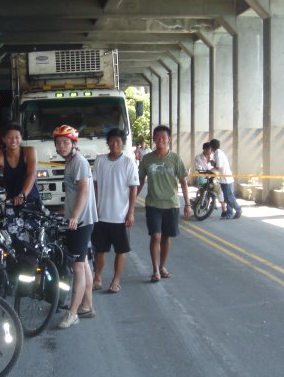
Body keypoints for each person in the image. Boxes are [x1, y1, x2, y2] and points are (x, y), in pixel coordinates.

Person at [53, 125, 98, 329]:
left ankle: (73, 313)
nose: (62, 146)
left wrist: (74, 215)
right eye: (59, 143)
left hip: (81, 221)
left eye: (66, 142)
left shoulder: (78, 162)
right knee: (83, 262)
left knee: (77, 266)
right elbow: (72, 193)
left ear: (73, 144)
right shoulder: (70, 162)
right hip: (79, 219)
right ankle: (87, 305)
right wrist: (65, 211)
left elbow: (83, 190)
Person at [137, 125, 192, 283]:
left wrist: (187, 204)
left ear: (169, 140)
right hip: (153, 204)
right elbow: (140, 181)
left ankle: (162, 266)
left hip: (171, 204)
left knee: (166, 237)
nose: (160, 140)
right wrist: (130, 202)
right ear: (153, 139)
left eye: (164, 137)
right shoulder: (147, 159)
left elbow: (183, 182)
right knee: (156, 236)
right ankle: (155, 270)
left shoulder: (175, 159)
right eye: (157, 137)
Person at [91, 127, 139, 294]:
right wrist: (94, 207)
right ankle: (97, 279)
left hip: (120, 216)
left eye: (118, 141)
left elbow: (133, 188)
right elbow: (95, 185)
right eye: (111, 140)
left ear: (123, 143)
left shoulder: (128, 162)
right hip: (101, 215)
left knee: (121, 250)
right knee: (100, 250)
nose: (114, 144)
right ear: (108, 142)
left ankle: (116, 281)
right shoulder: (100, 160)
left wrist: (131, 212)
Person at [209, 138, 242, 219]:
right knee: (228, 197)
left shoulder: (217, 154)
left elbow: (219, 167)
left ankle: (238, 209)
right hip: (225, 178)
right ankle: (229, 214)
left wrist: (213, 164)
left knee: (229, 197)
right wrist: (214, 163)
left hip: (226, 179)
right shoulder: (219, 152)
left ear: (211, 147)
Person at [193, 141, 226, 216]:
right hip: (203, 176)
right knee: (203, 188)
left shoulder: (214, 156)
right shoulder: (198, 157)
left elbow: (217, 167)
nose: (211, 151)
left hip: (213, 177)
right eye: (209, 149)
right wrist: (206, 172)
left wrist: (213, 165)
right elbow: (199, 169)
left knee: (219, 190)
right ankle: (201, 202)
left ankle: (224, 210)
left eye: (211, 149)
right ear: (205, 150)